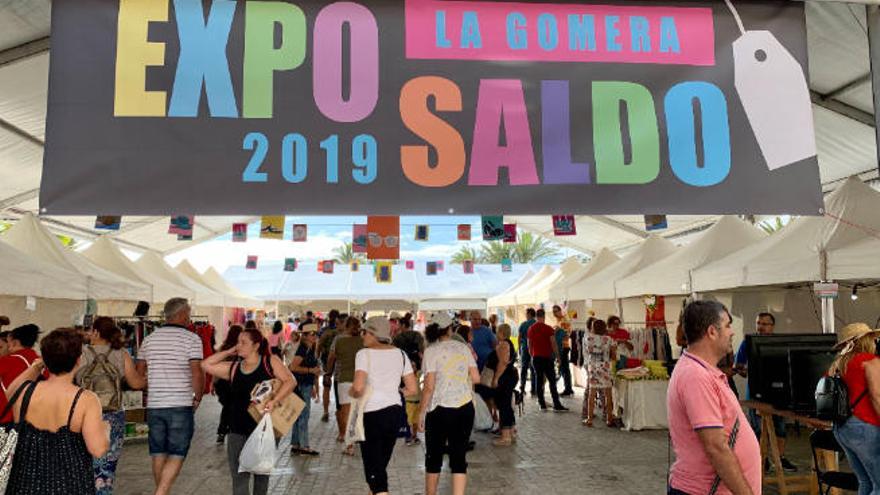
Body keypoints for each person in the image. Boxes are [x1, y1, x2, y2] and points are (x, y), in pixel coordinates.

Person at [667, 301, 760, 495]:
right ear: (712, 331)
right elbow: (715, 447)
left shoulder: (701, 371)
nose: (732, 332)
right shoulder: (696, 376)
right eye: (727, 325)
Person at [6, 329, 110, 495]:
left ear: (45, 359)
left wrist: (38, 365)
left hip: (24, 483)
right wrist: (105, 429)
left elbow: (11, 390)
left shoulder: (23, 391)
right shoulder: (86, 399)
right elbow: (98, 449)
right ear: (78, 360)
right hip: (70, 484)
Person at [201, 327, 295, 495]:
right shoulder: (234, 368)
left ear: (256, 345)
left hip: (264, 429)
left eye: (243, 342)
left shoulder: (269, 362)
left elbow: (290, 381)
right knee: (239, 476)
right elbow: (206, 364)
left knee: (261, 477)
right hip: (237, 428)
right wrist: (229, 350)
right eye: (238, 342)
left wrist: (275, 401)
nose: (239, 346)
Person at [135, 298, 204, 495]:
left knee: (158, 452)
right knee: (177, 453)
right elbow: (197, 372)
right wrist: (197, 397)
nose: (190, 318)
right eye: (188, 313)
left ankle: (162, 491)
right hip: (180, 403)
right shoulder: (192, 339)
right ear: (181, 314)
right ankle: (161, 493)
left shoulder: (149, 339)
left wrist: (155, 384)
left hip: (155, 405)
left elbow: (140, 372)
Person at [76, 317, 147, 495]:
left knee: (83, 462)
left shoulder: (81, 353)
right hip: (112, 416)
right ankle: (103, 490)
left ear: (97, 332)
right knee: (106, 464)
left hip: (83, 414)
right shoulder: (121, 353)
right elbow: (136, 384)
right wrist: (148, 378)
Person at [350, 316, 418, 495]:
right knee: (379, 465)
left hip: (372, 415)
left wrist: (353, 392)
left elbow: (358, 387)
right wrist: (394, 392)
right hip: (394, 414)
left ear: (372, 333)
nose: (362, 335)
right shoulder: (401, 354)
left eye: (364, 332)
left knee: (375, 471)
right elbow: (412, 388)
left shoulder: (363, 354)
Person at [418, 313, 480, 495]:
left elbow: (428, 387)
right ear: (450, 329)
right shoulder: (464, 348)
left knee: (434, 457)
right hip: (464, 407)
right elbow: (475, 377)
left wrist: (421, 413)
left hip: (439, 409)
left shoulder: (431, 351)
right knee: (459, 457)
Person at [733, 312, 796, 472]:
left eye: (764, 324)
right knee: (758, 429)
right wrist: (745, 370)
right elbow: (739, 367)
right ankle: (762, 459)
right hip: (755, 393)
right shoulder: (747, 343)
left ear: (772, 326)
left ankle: (780, 459)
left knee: (780, 427)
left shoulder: (779, 343)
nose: (760, 326)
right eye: (758, 323)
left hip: (778, 393)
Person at [828, 323, 880, 495]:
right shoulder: (870, 361)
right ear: (866, 340)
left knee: (865, 481)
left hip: (842, 427)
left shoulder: (837, 364)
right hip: (866, 427)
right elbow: (876, 396)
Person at [327, 316, 364, 452]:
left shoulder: (340, 341)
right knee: (359, 411)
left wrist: (328, 372)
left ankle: (349, 444)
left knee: (345, 412)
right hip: (361, 380)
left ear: (346, 326)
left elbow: (331, 358)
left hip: (344, 380)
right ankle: (359, 437)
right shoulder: (363, 341)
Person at [289, 323, 321, 456]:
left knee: (298, 414)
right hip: (301, 385)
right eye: (312, 334)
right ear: (305, 336)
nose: (315, 337)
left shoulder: (309, 348)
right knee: (303, 415)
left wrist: (313, 385)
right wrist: (310, 370)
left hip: (304, 384)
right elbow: (293, 367)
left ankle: (296, 444)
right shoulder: (303, 349)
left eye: (316, 334)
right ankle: (304, 445)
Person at [393, 316, 425, 445]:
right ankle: (413, 434)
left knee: (404, 401)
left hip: (402, 370)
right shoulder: (417, 335)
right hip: (416, 370)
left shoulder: (398, 338)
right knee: (415, 395)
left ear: (402, 325)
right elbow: (422, 350)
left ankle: (406, 432)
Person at [528, 309, 567, 412]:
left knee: (539, 380)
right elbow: (553, 344)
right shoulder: (548, 328)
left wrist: (532, 355)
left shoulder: (531, 329)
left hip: (536, 358)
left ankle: (542, 405)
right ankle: (556, 404)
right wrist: (558, 357)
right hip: (547, 358)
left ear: (536, 317)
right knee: (552, 381)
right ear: (544, 316)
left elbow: (529, 344)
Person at [0, 323, 41, 422]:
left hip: (8, 420)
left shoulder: (7, 361)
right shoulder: (41, 362)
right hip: (33, 421)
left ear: (15, 342)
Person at [582, 320, 616, 427]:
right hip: (605, 368)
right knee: (608, 394)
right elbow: (613, 356)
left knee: (592, 394)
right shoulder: (609, 339)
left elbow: (587, 352)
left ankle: (590, 419)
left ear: (593, 328)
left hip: (593, 368)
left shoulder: (588, 338)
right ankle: (609, 419)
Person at [214, 325, 244, 444]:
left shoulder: (223, 348)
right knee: (233, 407)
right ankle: (232, 431)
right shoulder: (240, 349)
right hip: (235, 382)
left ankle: (222, 432)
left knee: (227, 407)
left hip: (222, 383)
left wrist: (213, 383)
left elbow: (216, 365)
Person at [490, 323, 518, 446]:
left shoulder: (503, 344)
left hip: (505, 377)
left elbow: (503, 362)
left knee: (504, 405)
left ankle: (505, 436)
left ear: (501, 332)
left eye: (497, 332)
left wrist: (496, 378)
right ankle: (511, 432)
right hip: (510, 375)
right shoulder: (508, 343)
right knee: (506, 404)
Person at [318, 309, 341, 423]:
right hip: (339, 362)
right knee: (339, 387)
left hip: (326, 361)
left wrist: (318, 357)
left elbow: (319, 345)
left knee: (326, 387)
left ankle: (325, 412)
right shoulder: (342, 331)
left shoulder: (324, 330)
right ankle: (340, 410)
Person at [552, 305, 575, 397]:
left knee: (564, 368)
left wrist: (558, 330)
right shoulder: (558, 321)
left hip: (564, 347)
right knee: (563, 368)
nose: (554, 313)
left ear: (560, 310)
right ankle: (568, 388)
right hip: (560, 347)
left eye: (556, 311)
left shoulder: (564, 320)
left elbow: (568, 333)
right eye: (553, 311)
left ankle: (568, 389)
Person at [517, 309, 537, 395]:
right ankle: (533, 388)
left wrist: (519, 348)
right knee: (534, 368)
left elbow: (519, 337)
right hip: (534, 349)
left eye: (526, 314)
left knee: (524, 368)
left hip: (525, 348)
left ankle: (522, 387)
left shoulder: (524, 324)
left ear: (529, 314)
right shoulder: (536, 324)